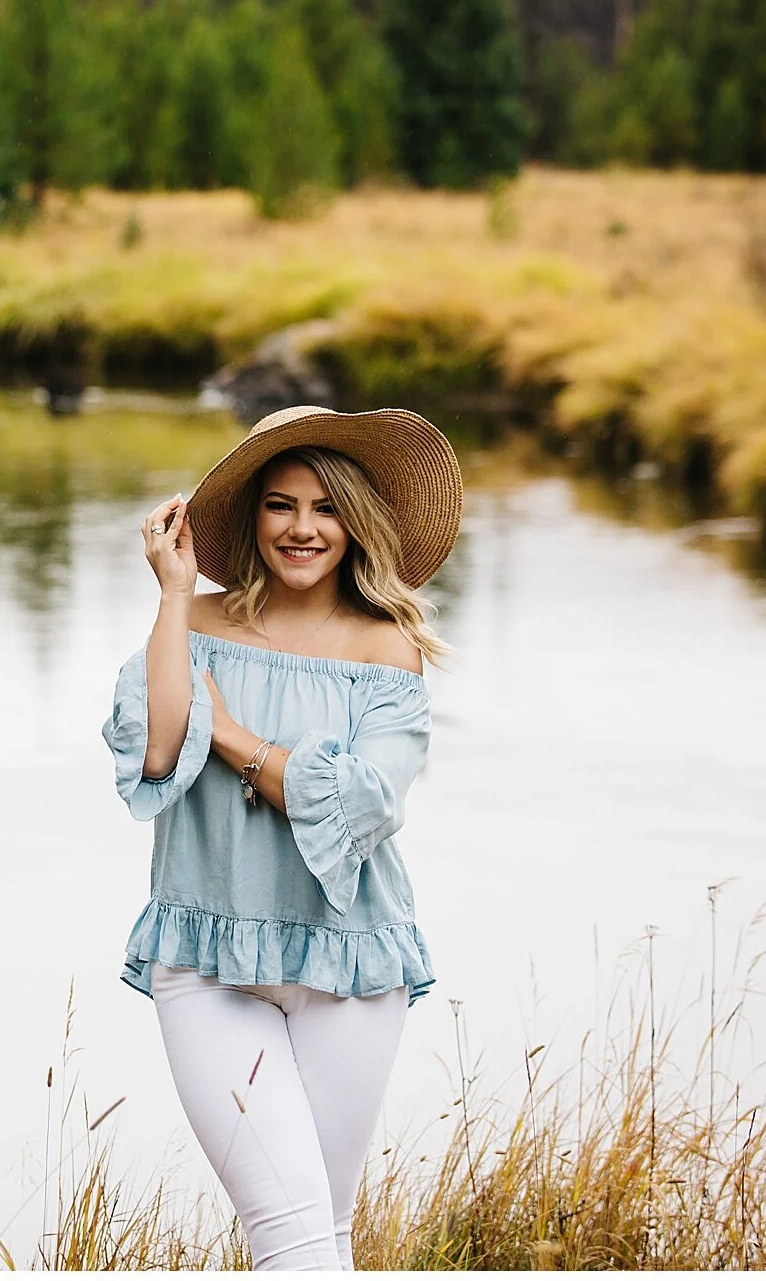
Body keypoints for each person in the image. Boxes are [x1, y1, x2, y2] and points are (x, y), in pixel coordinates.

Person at [101, 405, 463, 1272]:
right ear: (251, 517)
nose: (303, 529)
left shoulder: (387, 649)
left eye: (327, 508)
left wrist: (231, 739)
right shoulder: (191, 627)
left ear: (358, 522)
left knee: (320, 1235)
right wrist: (175, 596)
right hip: (208, 959)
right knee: (294, 1236)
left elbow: (364, 805)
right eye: (281, 505)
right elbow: (153, 751)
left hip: (348, 965)